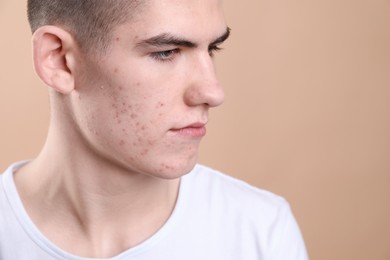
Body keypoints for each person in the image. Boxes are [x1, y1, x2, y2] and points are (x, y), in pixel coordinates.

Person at [0, 0, 308, 259]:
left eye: (212, 49)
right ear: (60, 61)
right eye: (166, 52)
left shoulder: (261, 233)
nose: (213, 92)